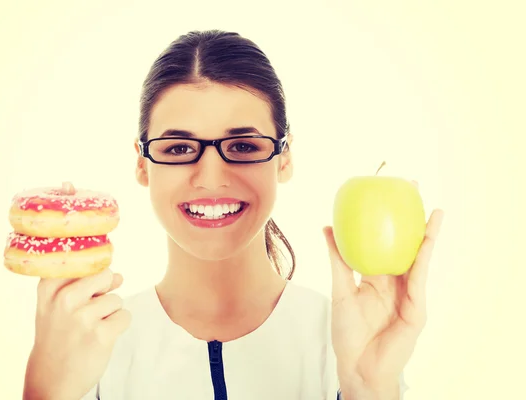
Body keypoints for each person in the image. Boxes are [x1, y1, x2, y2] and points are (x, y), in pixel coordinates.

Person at [22, 29, 444, 400]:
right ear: (141, 162)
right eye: (178, 149)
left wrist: (368, 388)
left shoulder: (348, 339)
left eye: (243, 146)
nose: (210, 178)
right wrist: (44, 393)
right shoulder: (88, 346)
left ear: (284, 158)